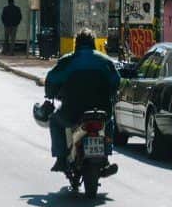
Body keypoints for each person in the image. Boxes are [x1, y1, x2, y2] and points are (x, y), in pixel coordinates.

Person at [44, 28, 120, 173]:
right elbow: (116, 81)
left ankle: (60, 158)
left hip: (72, 112)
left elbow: (52, 79)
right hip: (102, 110)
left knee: (55, 121)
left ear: (76, 43)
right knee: (109, 122)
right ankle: (107, 155)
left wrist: (49, 94)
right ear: (93, 43)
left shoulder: (68, 61)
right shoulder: (105, 61)